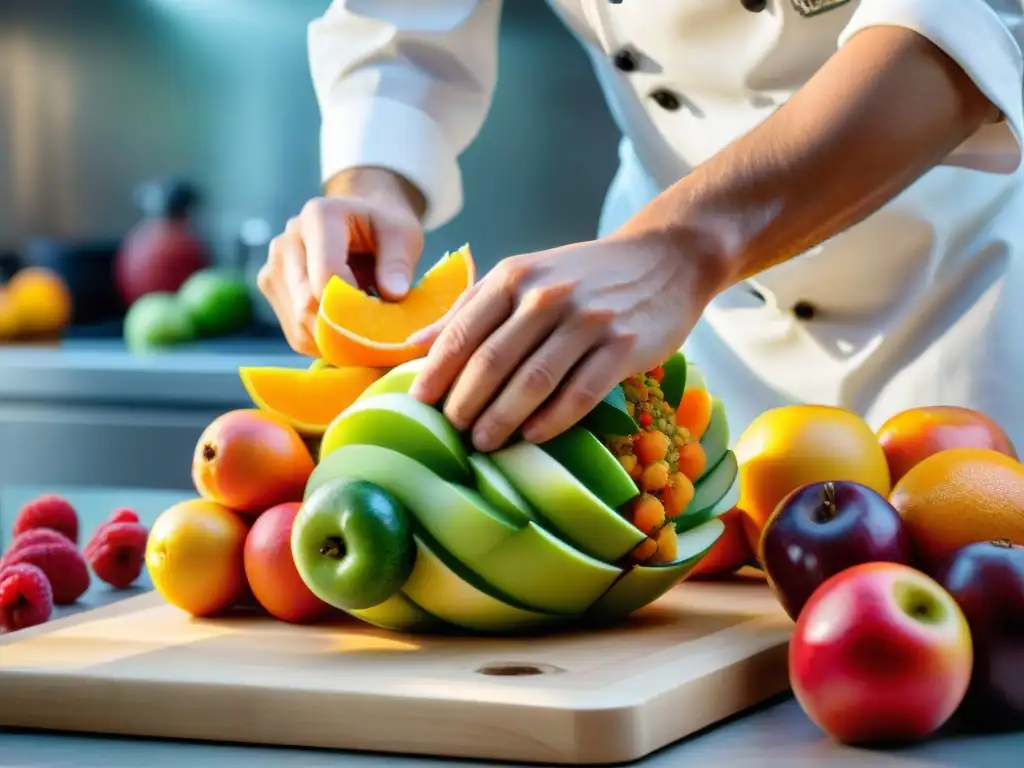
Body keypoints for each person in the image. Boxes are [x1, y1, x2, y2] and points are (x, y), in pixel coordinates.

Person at [258, 0, 1024, 455]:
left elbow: (972, 22)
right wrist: (375, 179)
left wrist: (685, 245)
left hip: (968, 303)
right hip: (679, 337)